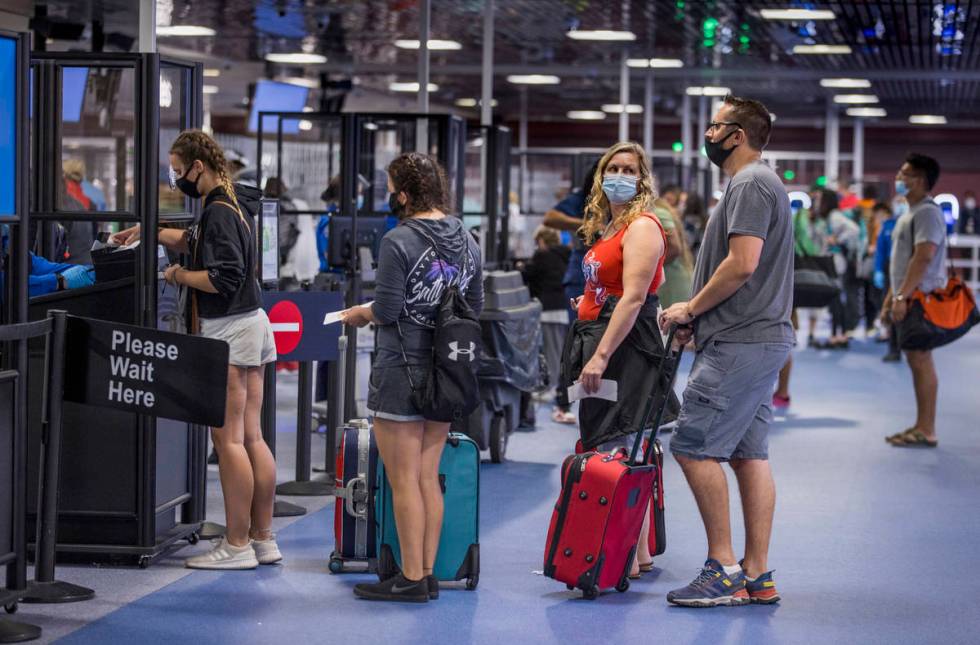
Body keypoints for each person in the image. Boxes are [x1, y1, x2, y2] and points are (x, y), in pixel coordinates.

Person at [113, 130, 280, 569]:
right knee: (251, 436)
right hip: (253, 325)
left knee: (228, 442)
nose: (175, 177)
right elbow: (197, 242)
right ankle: (263, 539)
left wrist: (177, 277)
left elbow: (222, 274)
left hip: (229, 329)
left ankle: (237, 545)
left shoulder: (219, 210)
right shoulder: (229, 200)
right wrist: (152, 232)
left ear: (197, 167)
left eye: (176, 168)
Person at [660, 94, 793, 607]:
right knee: (747, 454)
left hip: (743, 343)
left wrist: (691, 308)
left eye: (715, 127)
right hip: (752, 337)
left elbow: (742, 264)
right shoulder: (752, 184)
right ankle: (757, 574)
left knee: (693, 446)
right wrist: (705, 320)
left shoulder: (752, 183)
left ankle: (724, 568)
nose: (708, 135)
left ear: (737, 134)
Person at [342, 152, 483, 603]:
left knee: (403, 480)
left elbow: (384, 311)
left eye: (390, 187)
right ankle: (427, 574)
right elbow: (474, 307)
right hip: (447, 370)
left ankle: (410, 576)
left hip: (401, 369)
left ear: (402, 193)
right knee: (427, 476)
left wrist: (359, 313)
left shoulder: (397, 240)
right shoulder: (468, 238)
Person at [568, 141, 667, 579]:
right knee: (614, 446)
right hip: (600, 337)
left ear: (642, 179)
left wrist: (601, 355)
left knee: (618, 441)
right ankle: (634, 552)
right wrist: (587, 306)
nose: (620, 175)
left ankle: (622, 553)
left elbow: (633, 299)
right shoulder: (610, 226)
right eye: (613, 167)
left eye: (629, 168)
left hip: (624, 349)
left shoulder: (642, 226)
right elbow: (608, 290)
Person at [882, 154, 946, 449]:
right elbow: (901, 262)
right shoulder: (910, 212)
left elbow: (923, 257)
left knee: (921, 360)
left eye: (904, 173)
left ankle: (927, 429)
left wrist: (901, 296)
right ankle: (921, 425)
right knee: (915, 359)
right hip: (906, 295)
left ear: (920, 180)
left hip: (919, 298)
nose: (899, 177)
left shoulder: (927, 213)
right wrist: (890, 297)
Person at [521, 225, 575, 424]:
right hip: (566, 309)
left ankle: (553, 388)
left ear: (542, 241)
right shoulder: (568, 254)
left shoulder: (542, 256)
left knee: (553, 354)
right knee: (562, 352)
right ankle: (557, 388)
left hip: (549, 309)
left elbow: (526, 276)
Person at [543, 162, 599, 320]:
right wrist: (589, 225)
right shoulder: (582, 198)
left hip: (612, 276)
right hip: (582, 271)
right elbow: (550, 218)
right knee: (580, 331)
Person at [812, 188, 861, 349]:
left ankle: (837, 336)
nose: (817, 202)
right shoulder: (827, 218)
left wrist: (837, 240)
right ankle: (838, 335)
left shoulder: (835, 216)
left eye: (820, 199)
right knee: (835, 298)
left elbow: (854, 230)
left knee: (835, 298)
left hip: (835, 261)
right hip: (831, 261)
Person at [872, 201, 901, 362]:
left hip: (902, 268)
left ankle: (899, 345)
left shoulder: (901, 225)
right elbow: (880, 251)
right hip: (888, 268)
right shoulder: (885, 228)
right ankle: (893, 345)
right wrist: (878, 270)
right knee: (888, 306)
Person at [653, 196, 694, 309]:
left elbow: (675, 248)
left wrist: (649, 266)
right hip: (672, 281)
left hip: (671, 282)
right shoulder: (659, 211)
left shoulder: (657, 212)